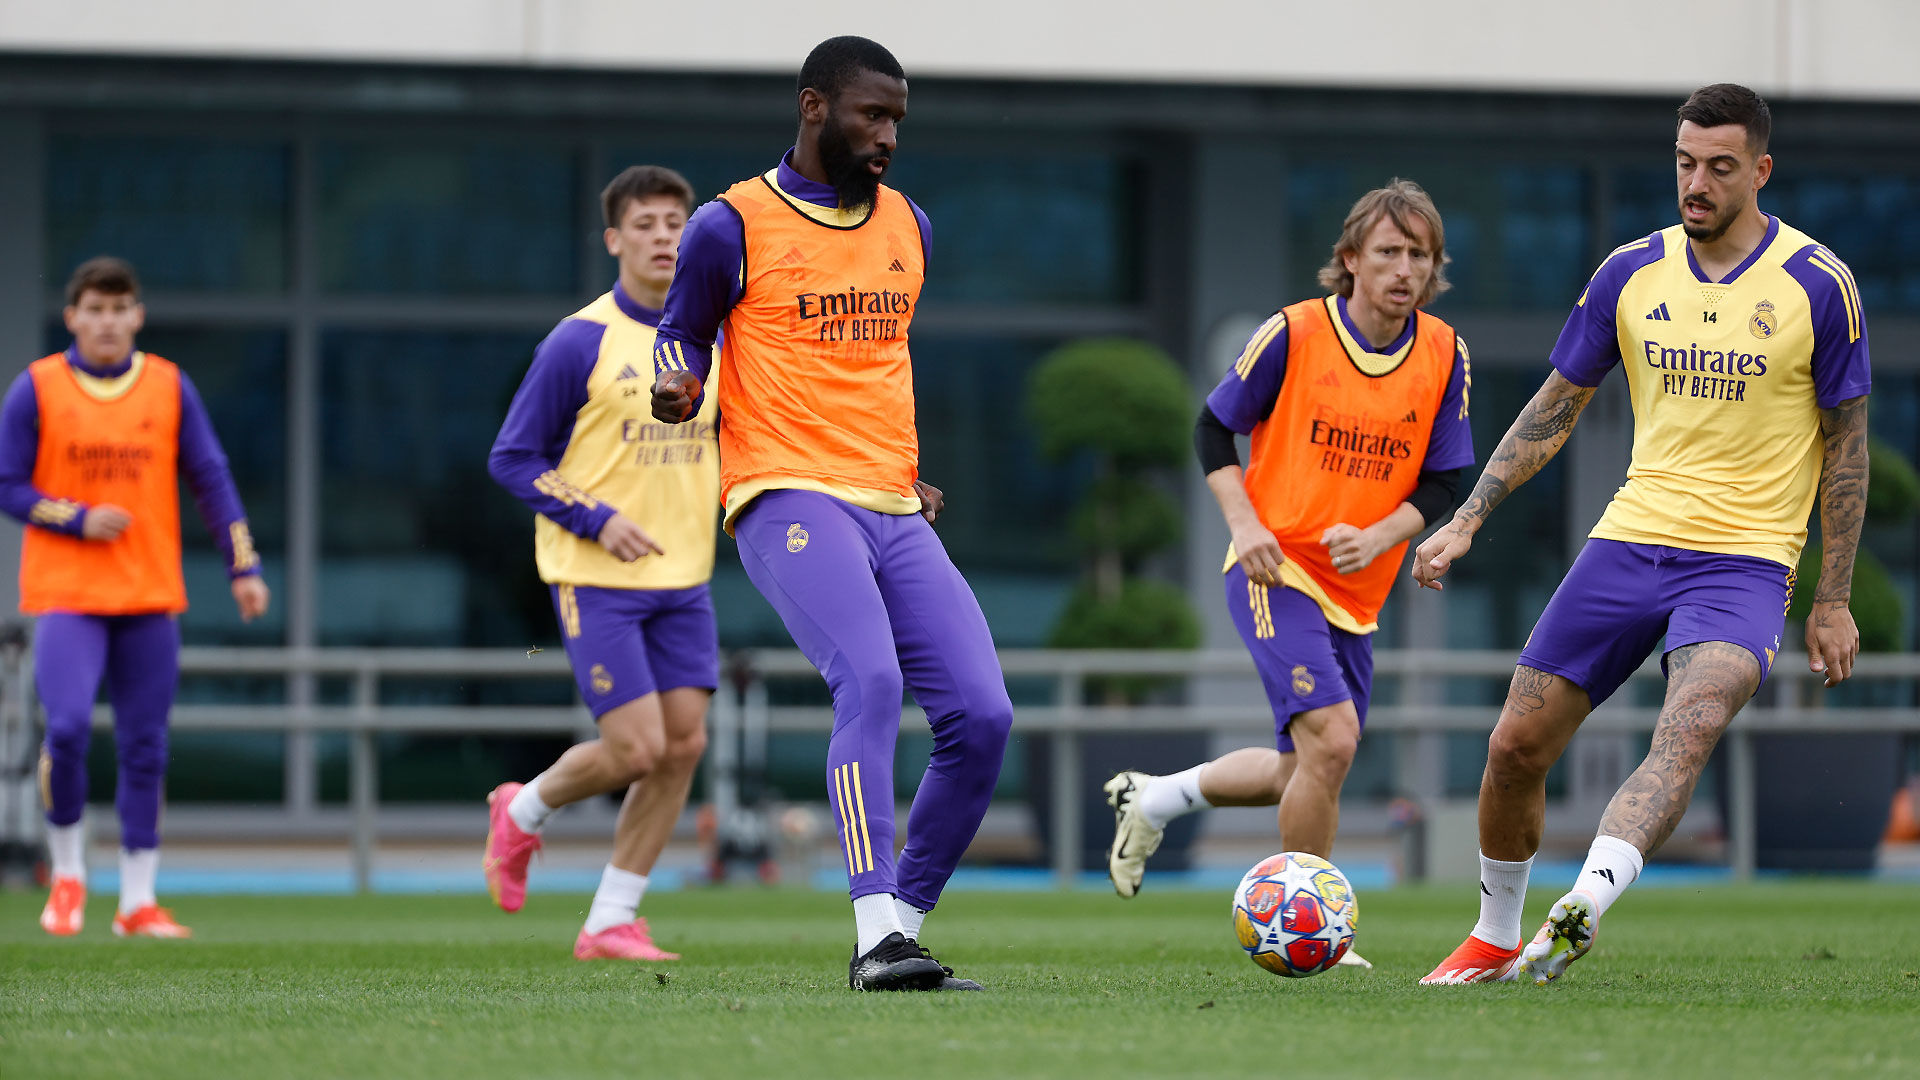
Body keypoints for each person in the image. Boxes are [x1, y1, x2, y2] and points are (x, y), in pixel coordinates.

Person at [1419, 83, 1869, 985]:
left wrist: (1833, 597)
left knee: (1688, 725)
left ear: (1761, 170)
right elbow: (1556, 407)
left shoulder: (1819, 283)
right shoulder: (1630, 272)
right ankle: (1495, 934)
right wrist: (1467, 518)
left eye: (1719, 167)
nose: (1695, 183)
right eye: (1684, 163)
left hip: (1744, 562)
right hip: (1628, 542)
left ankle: (1583, 903)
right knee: (1514, 746)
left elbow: (1847, 445)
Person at [650, 36, 1012, 992]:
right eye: (871, 115)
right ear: (815, 107)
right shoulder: (730, 224)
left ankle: (900, 930)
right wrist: (677, 386)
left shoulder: (911, 227)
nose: (887, 135)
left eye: (898, 119)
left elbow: (874, 366)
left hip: (893, 504)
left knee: (983, 715)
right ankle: (870, 930)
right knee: (875, 685)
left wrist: (906, 471)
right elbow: (678, 338)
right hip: (785, 493)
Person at [1104, 181, 1475, 973]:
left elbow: (1446, 483)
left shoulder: (1445, 352)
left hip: (1357, 594)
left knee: (1302, 768)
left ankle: (1158, 797)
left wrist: (1380, 535)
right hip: (1273, 573)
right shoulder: (1295, 333)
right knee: (1334, 743)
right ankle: (1314, 932)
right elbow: (1212, 429)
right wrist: (1246, 525)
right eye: (1388, 252)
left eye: (1420, 254)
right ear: (1349, 260)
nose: (1404, 269)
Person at [482, 166, 718, 962]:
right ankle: (519, 814)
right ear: (615, 240)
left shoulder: (716, 338)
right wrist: (597, 518)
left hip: (685, 577)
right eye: (645, 224)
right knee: (637, 749)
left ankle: (611, 919)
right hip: (596, 577)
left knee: (684, 747)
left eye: (675, 223)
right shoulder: (578, 340)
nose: (663, 237)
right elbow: (513, 457)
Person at [0, 256, 269, 938]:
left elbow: (212, 477)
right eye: (94, 310)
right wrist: (73, 516)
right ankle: (66, 879)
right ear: (72, 318)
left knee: (145, 745)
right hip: (67, 593)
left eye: (120, 310)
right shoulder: (37, 388)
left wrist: (244, 566)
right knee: (63, 731)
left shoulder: (169, 386)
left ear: (138, 316)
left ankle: (138, 901)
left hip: (150, 595)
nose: (108, 322)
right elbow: (7, 484)